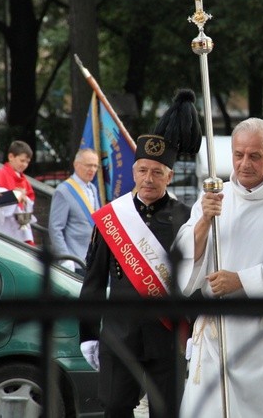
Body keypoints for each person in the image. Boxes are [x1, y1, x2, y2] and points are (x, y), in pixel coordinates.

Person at [176, 117, 263, 418]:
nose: (245, 163)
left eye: (255, 155)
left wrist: (241, 280)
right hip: (217, 334)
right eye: (239, 155)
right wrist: (203, 221)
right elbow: (183, 261)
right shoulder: (213, 198)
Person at [80, 89, 201, 418]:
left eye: (157, 172)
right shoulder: (112, 217)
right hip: (120, 335)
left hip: (167, 337)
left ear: (170, 176)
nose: (149, 178)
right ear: (134, 172)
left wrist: (194, 327)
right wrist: (89, 334)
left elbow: (198, 276)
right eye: (143, 170)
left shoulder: (187, 216)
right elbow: (93, 280)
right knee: (116, 408)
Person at [49, 148, 100, 274]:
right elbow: (55, 228)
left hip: (93, 259)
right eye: (89, 165)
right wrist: (65, 258)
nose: (92, 169)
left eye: (95, 166)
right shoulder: (63, 191)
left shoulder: (92, 188)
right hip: (75, 261)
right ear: (76, 164)